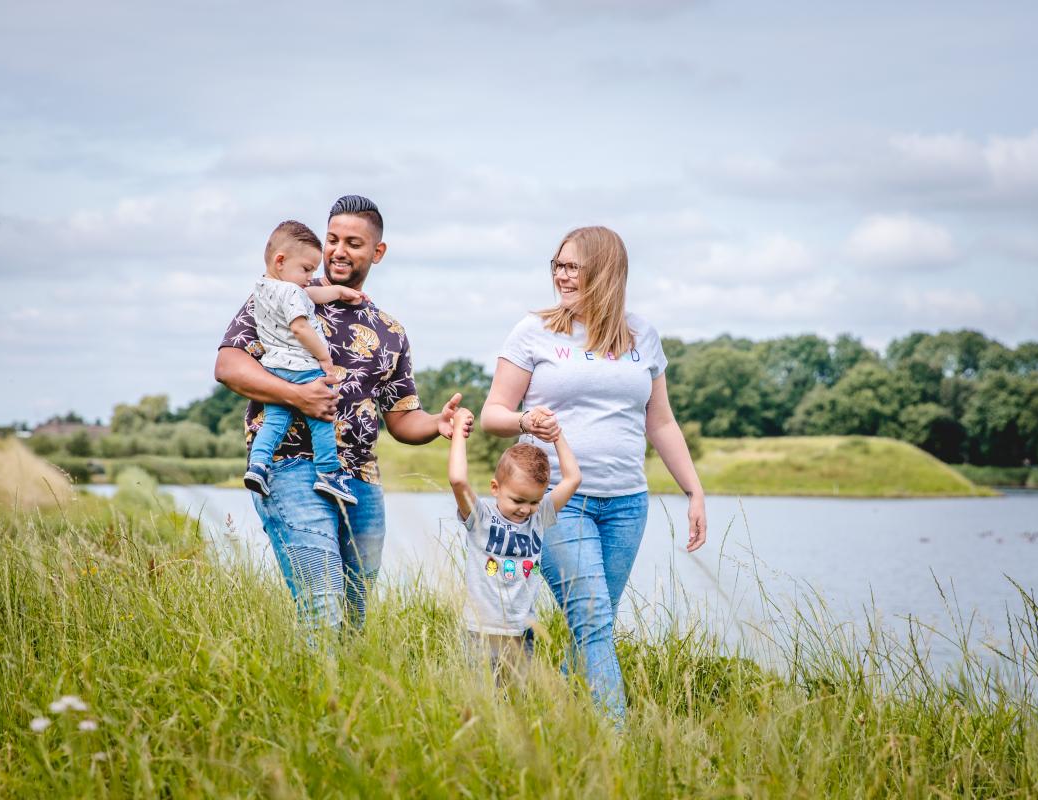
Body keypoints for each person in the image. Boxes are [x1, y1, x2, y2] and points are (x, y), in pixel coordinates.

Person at [480, 225, 708, 722]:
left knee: (592, 627)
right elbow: (493, 411)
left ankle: (558, 720)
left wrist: (693, 490)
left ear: (605, 271)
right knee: (593, 621)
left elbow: (661, 420)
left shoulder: (641, 335)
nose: (562, 275)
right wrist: (525, 420)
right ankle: (616, 742)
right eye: (557, 265)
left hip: (627, 504)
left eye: (573, 266)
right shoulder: (533, 331)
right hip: (561, 502)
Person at [215, 195, 473, 629]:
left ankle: (339, 696)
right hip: (291, 467)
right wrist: (297, 396)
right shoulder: (283, 295)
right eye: (332, 239)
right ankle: (311, 696)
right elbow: (229, 365)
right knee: (322, 609)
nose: (337, 250)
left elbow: (402, 416)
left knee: (353, 617)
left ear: (377, 252)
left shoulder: (389, 330)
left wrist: (438, 424)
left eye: (353, 243)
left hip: (361, 482)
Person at [447, 407, 581, 681]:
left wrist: (556, 435)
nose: (526, 509)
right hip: (480, 631)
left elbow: (573, 479)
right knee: (482, 700)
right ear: (495, 488)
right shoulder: (481, 516)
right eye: (518, 500)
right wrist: (459, 430)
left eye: (533, 501)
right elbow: (458, 480)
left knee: (517, 704)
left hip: (522, 633)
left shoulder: (540, 517)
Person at [243, 220, 367, 505]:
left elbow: (308, 295)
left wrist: (338, 292)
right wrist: (324, 357)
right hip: (302, 367)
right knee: (322, 419)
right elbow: (300, 327)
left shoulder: (264, 287)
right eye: (306, 269)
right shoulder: (292, 291)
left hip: (275, 369)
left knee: (275, 420)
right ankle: (328, 473)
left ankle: (258, 466)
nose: (310, 276)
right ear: (281, 260)